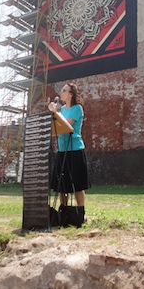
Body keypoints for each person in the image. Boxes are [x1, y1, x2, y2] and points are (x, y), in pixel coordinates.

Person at [48, 82, 90, 221]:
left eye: (64, 90)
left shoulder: (77, 109)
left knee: (77, 185)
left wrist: (55, 112)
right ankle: (64, 214)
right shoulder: (63, 110)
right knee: (62, 185)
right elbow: (57, 126)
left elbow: (66, 125)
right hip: (62, 150)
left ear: (71, 93)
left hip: (75, 150)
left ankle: (80, 214)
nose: (61, 92)